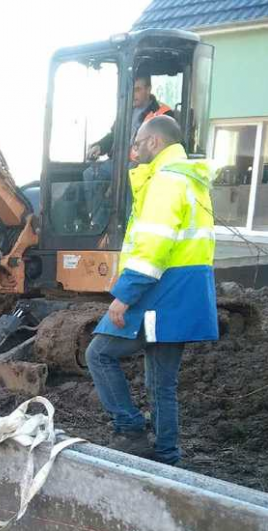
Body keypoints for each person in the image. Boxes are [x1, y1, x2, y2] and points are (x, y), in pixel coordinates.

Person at [85, 115, 217, 466]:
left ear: (155, 143)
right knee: (162, 385)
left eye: (139, 143)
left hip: (161, 291)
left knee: (99, 354)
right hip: (185, 292)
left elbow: (155, 245)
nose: (134, 150)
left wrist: (125, 294)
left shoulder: (166, 182)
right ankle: (167, 458)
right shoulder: (190, 180)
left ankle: (130, 431)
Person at [82, 73, 173, 228]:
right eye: (131, 89)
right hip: (117, 162)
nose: (133, 94)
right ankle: (99, 223)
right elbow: (113, 135)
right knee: (90, 174)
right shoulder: (126, 111)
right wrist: (100, 146)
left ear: (148, 90)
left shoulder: (163, 113)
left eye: (137, 89)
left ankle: (128, 226)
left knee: (131, 176)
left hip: (142, 164)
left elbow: (166, 144)